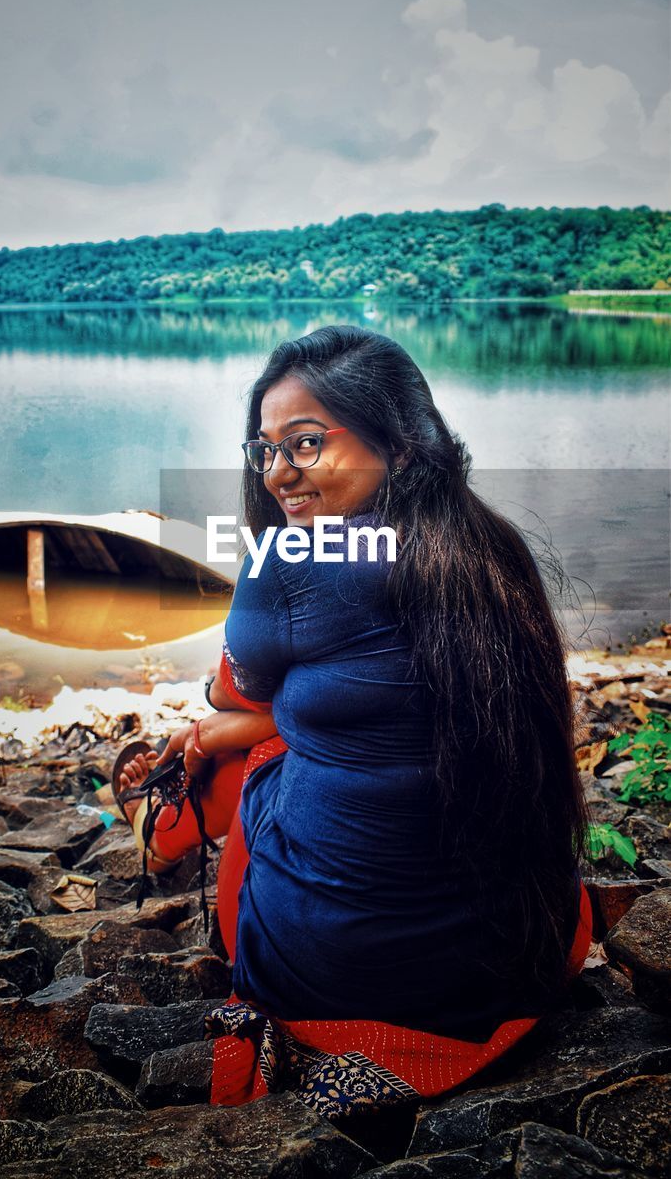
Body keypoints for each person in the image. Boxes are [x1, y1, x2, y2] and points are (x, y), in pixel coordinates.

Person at [115, 324, 591, 1122]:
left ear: (399, 447)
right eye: (263, 450)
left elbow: (235, 690)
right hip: (523, 956)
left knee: (250, 750)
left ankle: (154, 824)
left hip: (334, 979)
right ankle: (158, 820)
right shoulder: (489, 545)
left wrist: (222, 726)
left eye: (304, 444)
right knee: (288, 735)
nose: (276, 473)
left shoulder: (290, 563)